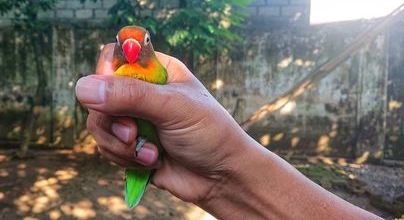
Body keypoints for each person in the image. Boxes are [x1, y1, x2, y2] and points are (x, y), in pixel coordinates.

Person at [75, 43, 380, 220]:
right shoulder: (119, 71)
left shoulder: (160, 71)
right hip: (153, 153)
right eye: (124, 42)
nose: (132, 47)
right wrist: (223, 180)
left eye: (142, 41)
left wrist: (225, 171)